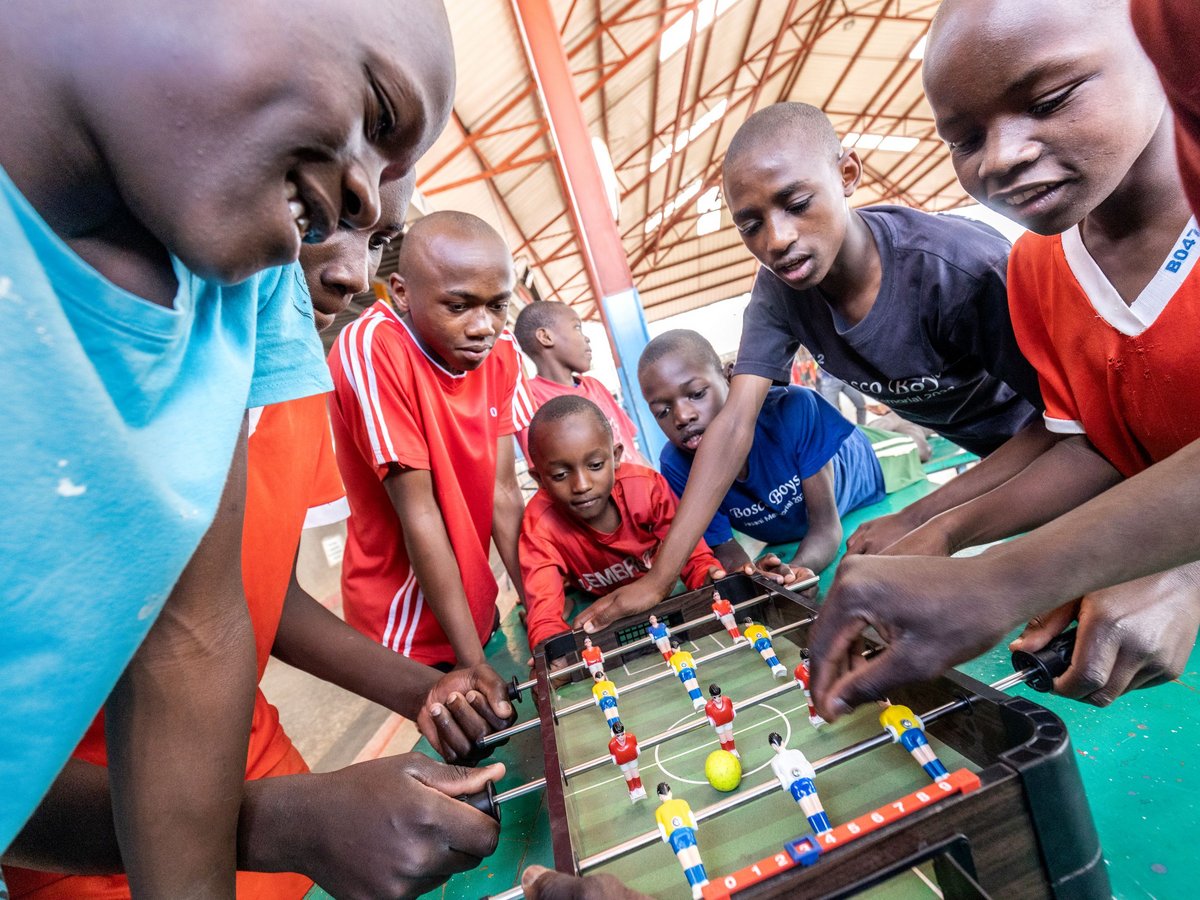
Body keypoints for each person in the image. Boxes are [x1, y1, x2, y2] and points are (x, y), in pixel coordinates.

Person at [0, 0, 454, 891]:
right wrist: (279, 823)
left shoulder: (224, 295)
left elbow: (192, 636)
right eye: (377, 108)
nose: (357, 211)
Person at [809, 0, 1200, 719]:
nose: (1001, 157)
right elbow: (1094, 446)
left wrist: (1179, 569)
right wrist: (944, 532)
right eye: (964, 139)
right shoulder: (1037, 270)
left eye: (1049, 100)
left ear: (1155, 47)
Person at [574, 100, 1051, 635]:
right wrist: (659, 581)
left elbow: (1072, 424)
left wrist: (923, 517)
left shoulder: (955, 270)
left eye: (796, 203)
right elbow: (734, 423)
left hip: (1069, 452)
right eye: (750, 225)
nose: (775, 240)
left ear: (847, 174)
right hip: (995, 454)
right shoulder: (781, 293)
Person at [328, 211, 534, 669]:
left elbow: (504, 492)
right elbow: (418, 511)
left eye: (497, 306)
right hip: (408, 628)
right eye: (458, 307)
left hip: (475, 607)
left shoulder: (501, 353)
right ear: (401, 292)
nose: (483, 326)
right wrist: (472, 666)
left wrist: (541, 613)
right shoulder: (372, 346)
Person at [639, 329, 921, 580]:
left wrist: (798, 569)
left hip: (868, 461)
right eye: (662, 411)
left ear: (729, 376)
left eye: (697, 393)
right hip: (798, 506)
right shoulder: (676, 464)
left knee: (916, 447)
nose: (682, 416)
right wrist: (757, 576)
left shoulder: (793, 408)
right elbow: (724, 547)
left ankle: (901, 424)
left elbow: (825, 527)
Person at [518, 396, 725, 654]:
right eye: (560, 475)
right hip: (594, 604)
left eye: (595, 465)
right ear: (539, 479)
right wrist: (552, 654)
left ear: (615, 457)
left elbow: (696, 559)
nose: (582, 485)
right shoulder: (539, 523)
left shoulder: (647, 489)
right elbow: (544, 616)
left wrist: (711, 578)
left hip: (661, 593)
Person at [512, 300, 649, 466]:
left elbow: (631, 450)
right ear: (546, 337)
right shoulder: (529, 399)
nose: (587, 338)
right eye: (577, 327)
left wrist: (658, 484)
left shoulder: (594, 385)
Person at [767, 733, 831, 835]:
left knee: (809, 811)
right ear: (782, 742)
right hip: (806, 781)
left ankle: (821, 833)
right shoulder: (796, 752)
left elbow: (782, 781)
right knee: (817, 807)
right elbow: (808, 767)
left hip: (795, 787)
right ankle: (828, 831)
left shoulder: (775, 762)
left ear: (773, 747)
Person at [654, 783, 709, 899]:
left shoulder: (659, 811)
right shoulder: (682, 802)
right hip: (687, 831)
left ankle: (695, 886)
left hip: (674, 836)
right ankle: (704, 881)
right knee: (696, 858)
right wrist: (693, 827)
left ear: (660, 797)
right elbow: (692, 821)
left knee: (686, 863)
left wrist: (666, 838)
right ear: (670, 792)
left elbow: (663, 832)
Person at [879, 703, 949, 784]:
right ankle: (944, 775)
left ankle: (938, 777)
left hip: (905, 735)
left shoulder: (883, 716)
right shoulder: (903, 707)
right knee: (929, 755)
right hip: (915, 731)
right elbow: (914, 717)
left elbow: (889, 729)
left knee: (923, 758)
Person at [607, 723, 647, 803]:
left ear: (624, 732)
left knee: (635, 772)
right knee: (627, 775)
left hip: (632, 759)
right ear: (615, 735)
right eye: (618, 735)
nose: (621, 737)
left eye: (622, 734)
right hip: (622, 762)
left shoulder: (631, 737)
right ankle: (632, 790)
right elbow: (613, 756)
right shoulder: (611, 744)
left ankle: (639, 787)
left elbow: (636, 747)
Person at [704, 684, 738, 757]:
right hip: (719, 725)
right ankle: (726, 753)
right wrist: (712, 721)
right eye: (715, 697)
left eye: (719, 696)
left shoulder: (727, 700)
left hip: (728, 721)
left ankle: (733, 749)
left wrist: (732, 713)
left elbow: (731, 708)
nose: (718, 699)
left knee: (730, 736)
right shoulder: (708, 706)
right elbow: (709, 717)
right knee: (723, 738)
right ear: (712, 697)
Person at [793, 657, 825, 729]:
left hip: (816, 686)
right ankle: (813, 716)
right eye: (806, 661)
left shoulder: (815, 665)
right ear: (803, 661)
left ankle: (818, 714)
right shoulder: (799, 669)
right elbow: (796, 676)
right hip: (808, 688)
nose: (808, 662)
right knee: (811, 700)